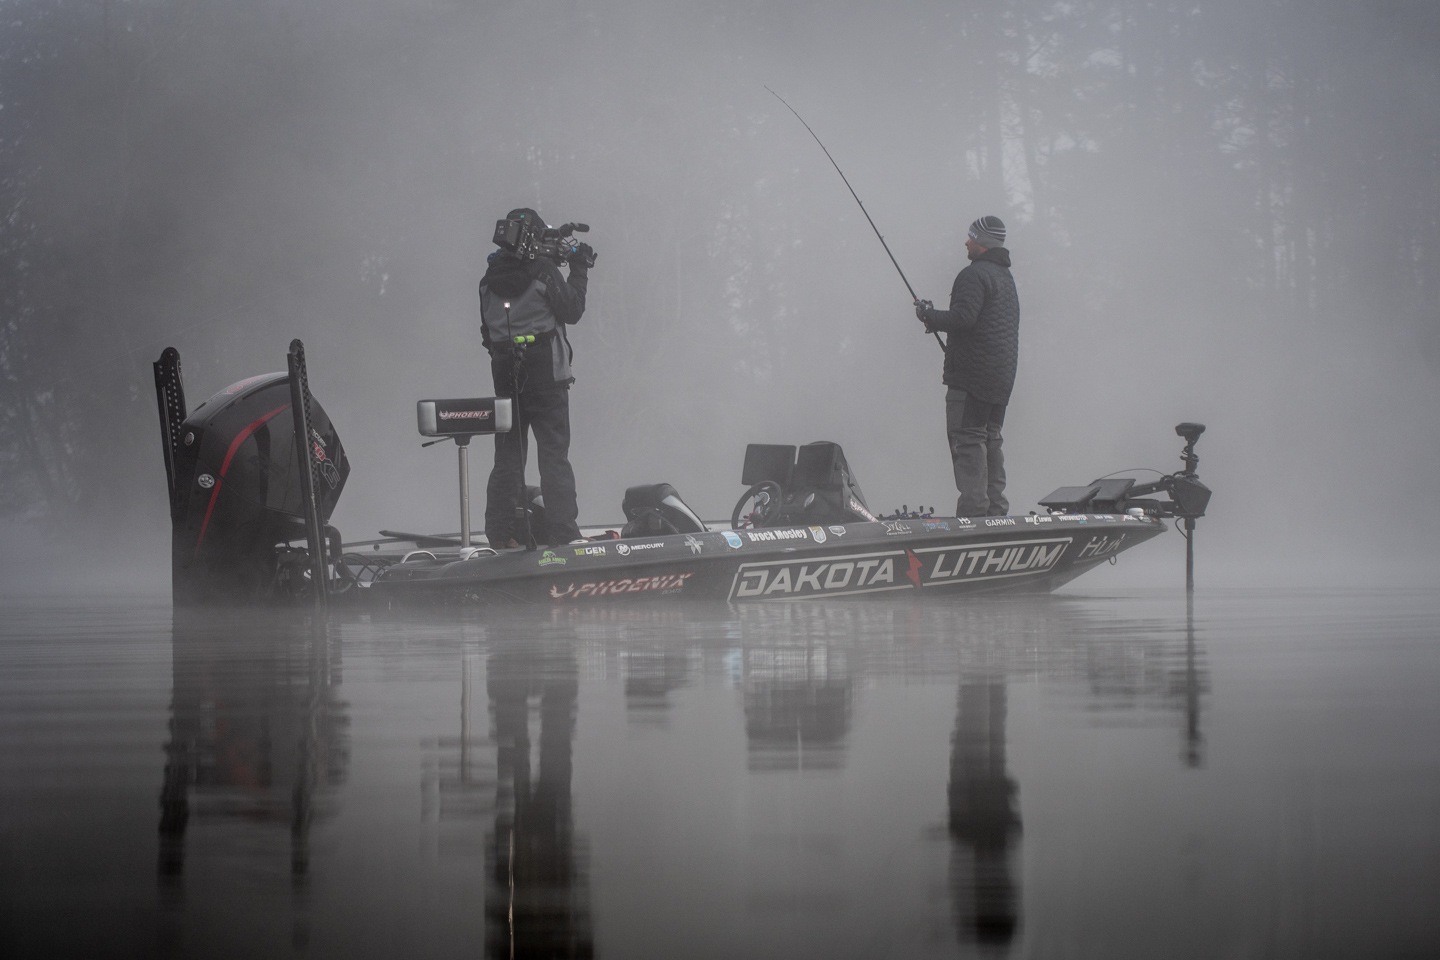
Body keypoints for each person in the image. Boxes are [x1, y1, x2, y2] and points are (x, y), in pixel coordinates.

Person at [480, 208, 593, 547]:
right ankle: (565, 536)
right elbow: (572, 310)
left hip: (505, 376)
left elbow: (487, 333)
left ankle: (500, 537)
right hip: (547, 377)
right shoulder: (543, 272)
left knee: (507, 460)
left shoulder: (487, 280)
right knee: (554, 456)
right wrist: (579, 268)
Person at [914, 215, 1018, 518]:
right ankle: (996, 513)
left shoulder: (973, 275)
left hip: (971, 379)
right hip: (1001, 379)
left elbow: (964, 318)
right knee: (991, 440)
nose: (966, 242)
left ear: (982, 242)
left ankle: (974, 517)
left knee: (969, 442)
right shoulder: (1005, 278)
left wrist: (929, 315)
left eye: (971, 237)